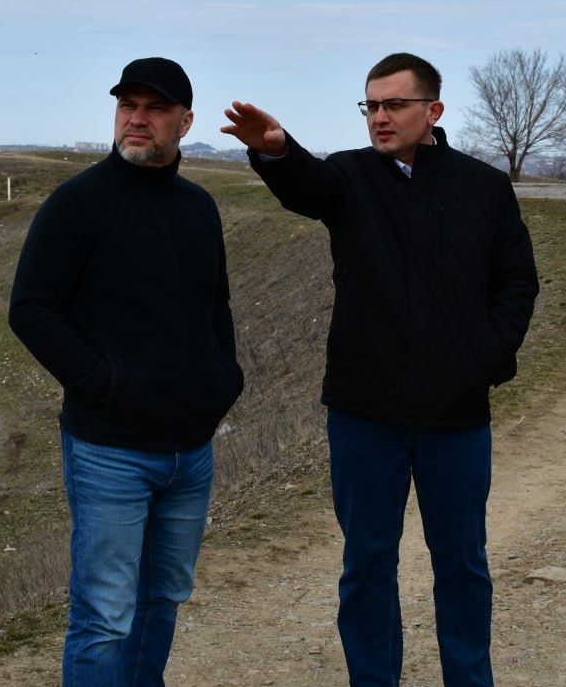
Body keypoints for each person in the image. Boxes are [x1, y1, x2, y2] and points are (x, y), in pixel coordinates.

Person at [221, 52, 538, 687]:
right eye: (371, 105)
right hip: (365, 415)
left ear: (433, 110)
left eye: (395, 104)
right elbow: (306, 186)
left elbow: (516, 281)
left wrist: (487, 358)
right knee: (367, 564)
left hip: (456, 416)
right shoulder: (350, 177)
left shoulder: (482, 187)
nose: (380, 117)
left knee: (462, 565)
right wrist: (276, 152)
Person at [9, 57, 244, 686]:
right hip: (109, 452)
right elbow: (31, 309)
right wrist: (105, 384)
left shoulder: (199, 207)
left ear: (184, 122)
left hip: (190, 454)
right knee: (105, 617)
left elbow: (216, 305)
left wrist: (224, 378)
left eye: (155, 108)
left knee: (162, 599)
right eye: (127, 105)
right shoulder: (78, 203)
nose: (137, 118)